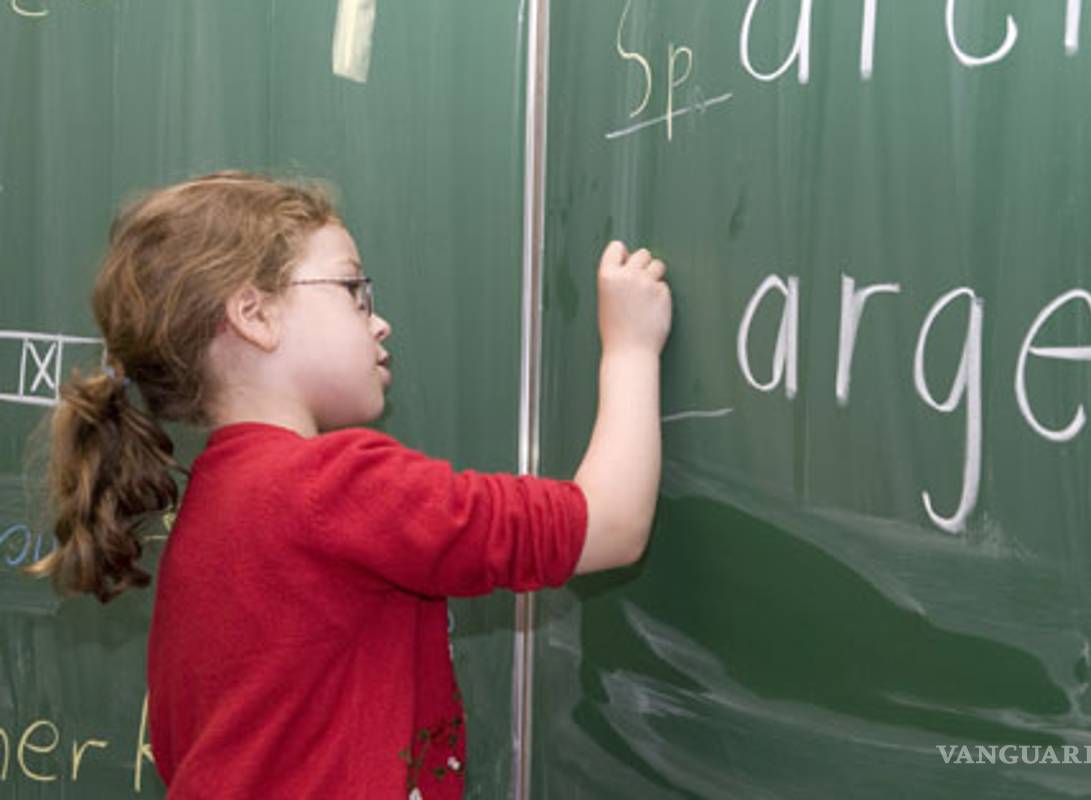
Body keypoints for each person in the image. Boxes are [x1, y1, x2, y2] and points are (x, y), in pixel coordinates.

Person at [29, 171, 671, 798]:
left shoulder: (216, 508)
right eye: (353, 289)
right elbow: (609, 527)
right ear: (255, 314)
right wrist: (630, 348)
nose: (379, 320)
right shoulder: (333, 487)